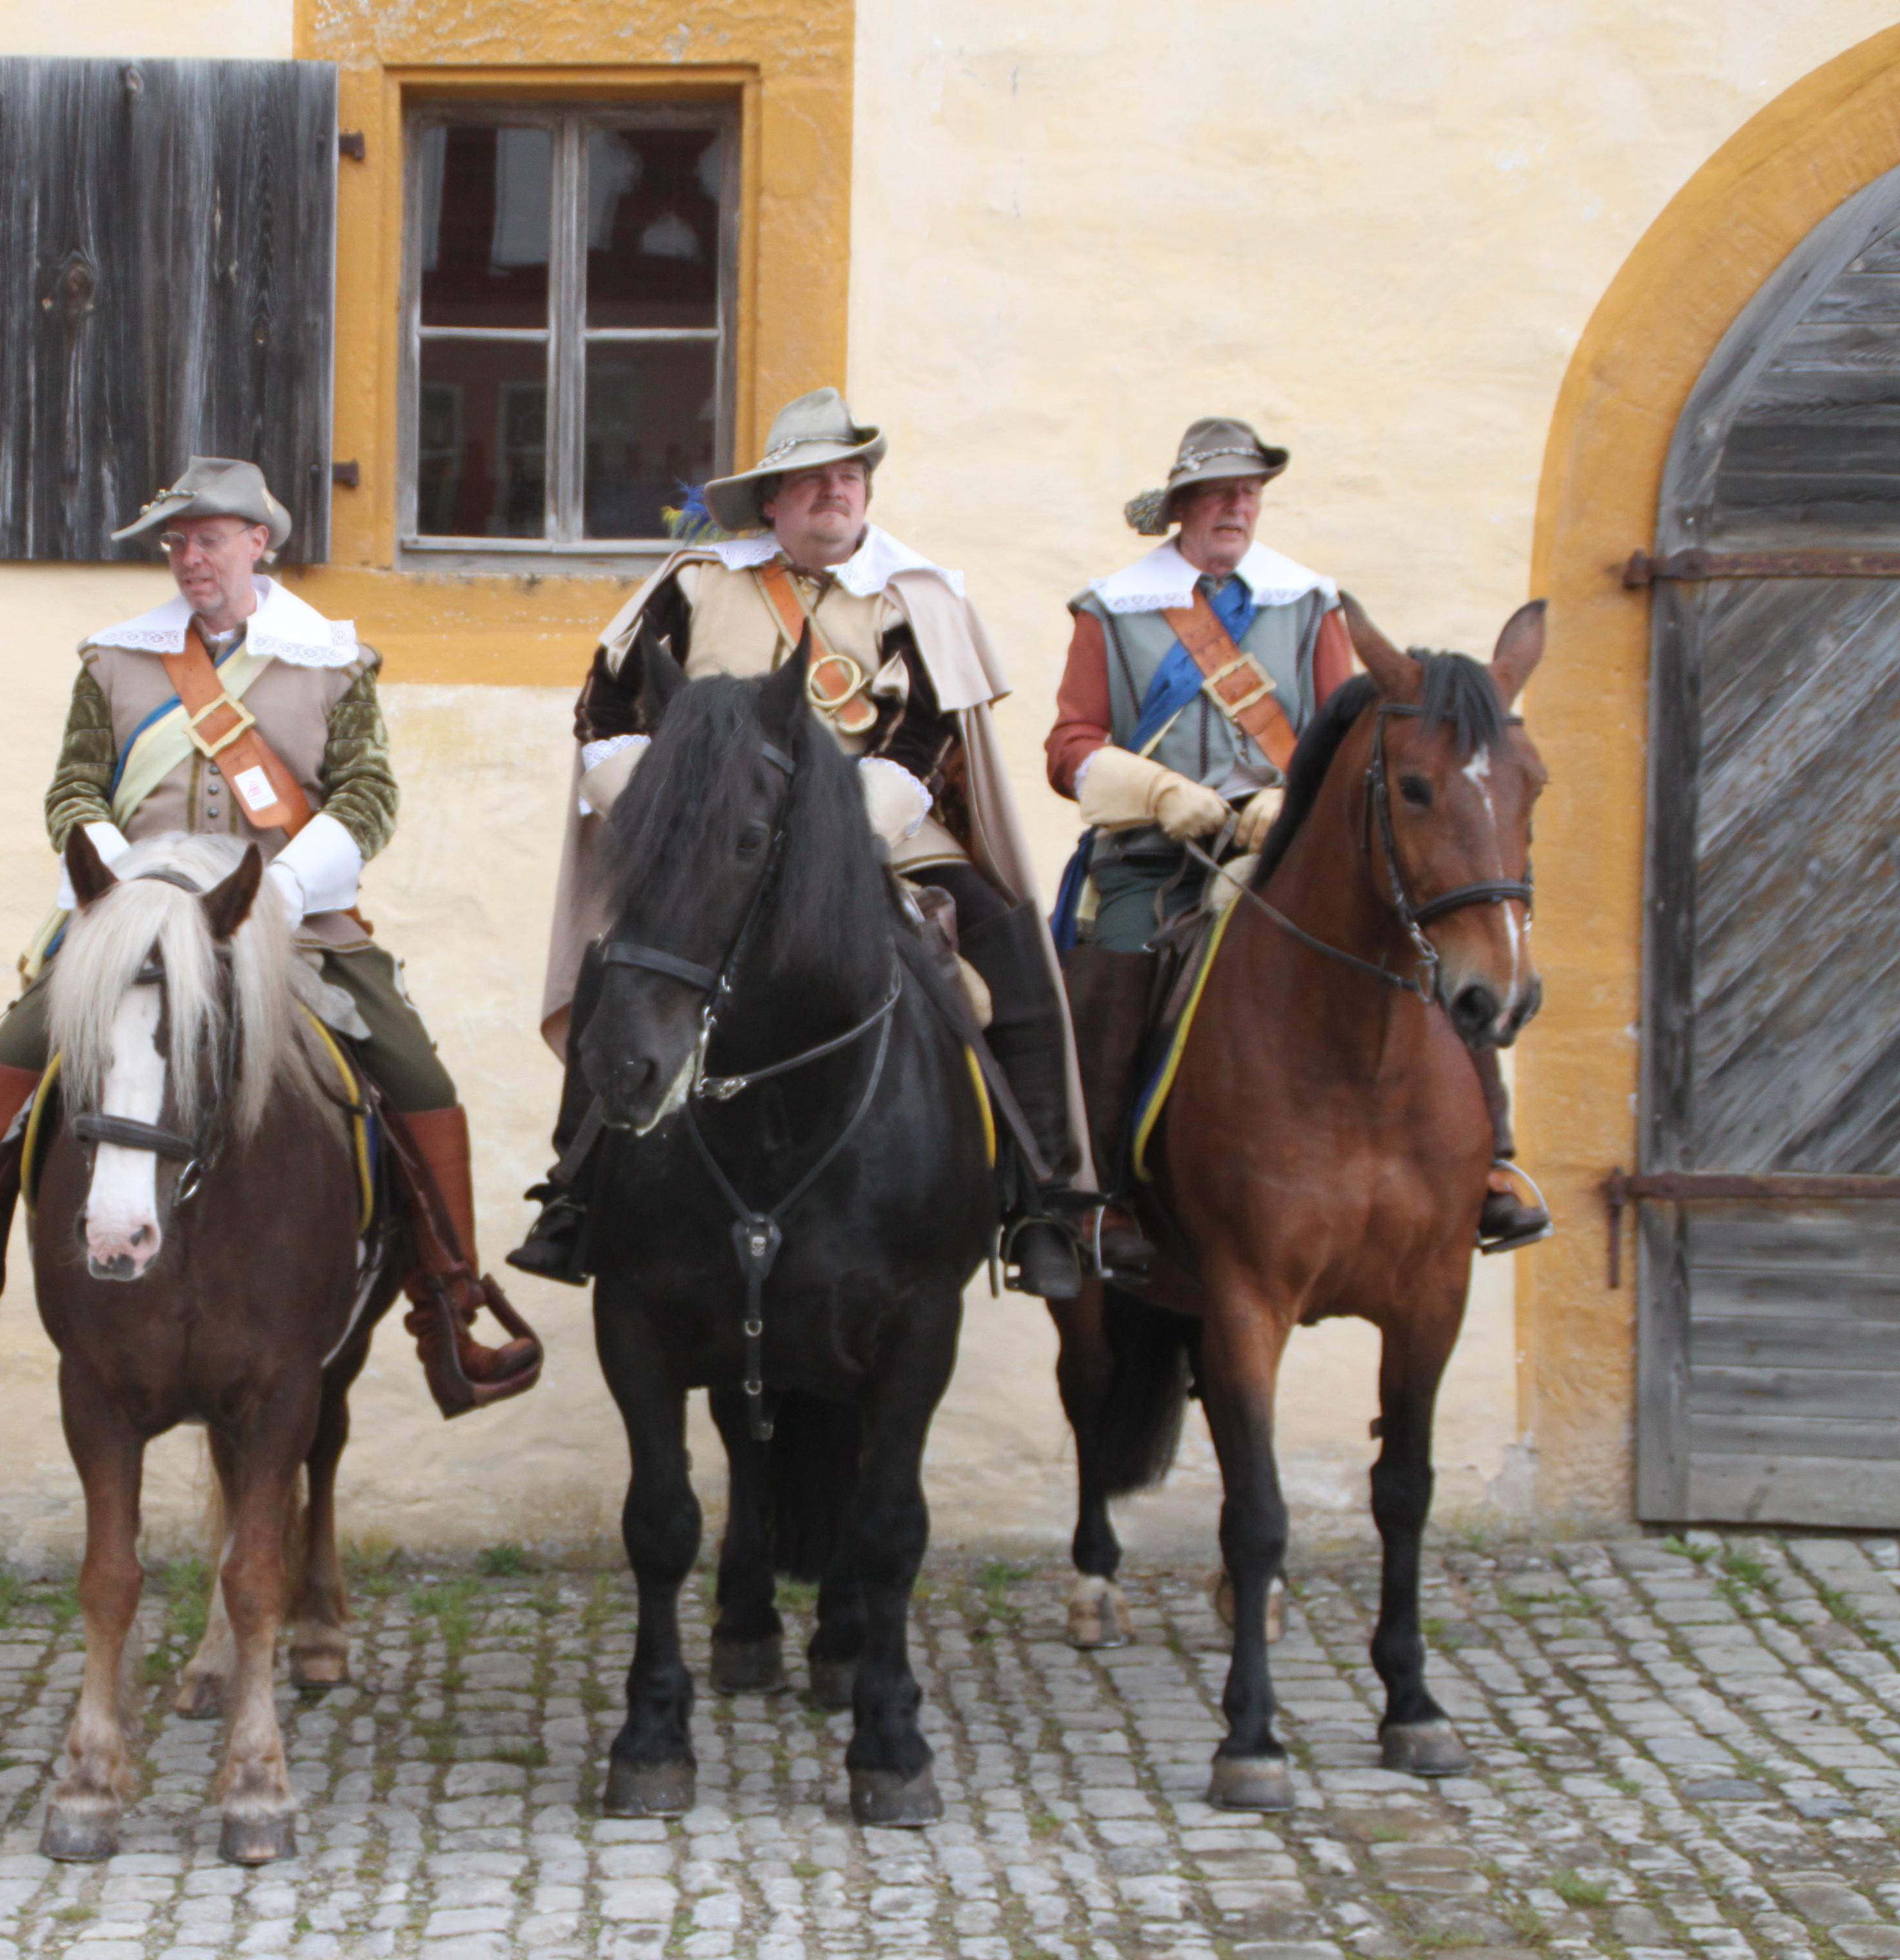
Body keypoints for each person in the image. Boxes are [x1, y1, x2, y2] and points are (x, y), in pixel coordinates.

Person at [0, 459, 543, 1414]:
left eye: (208, 538)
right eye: (176, 543)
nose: (188, 559)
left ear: (261, 542)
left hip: (296, 930)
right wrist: (111, 884)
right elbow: (74, 790)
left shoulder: (334, 661)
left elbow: (371, 796)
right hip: (134, 923)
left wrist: (290, 890)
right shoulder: (114, 661)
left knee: (416, 1077)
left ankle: (449, 1312)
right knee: (6, 1063)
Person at [518, 388, 1104, 1297]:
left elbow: (923, 738)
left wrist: (836, 833)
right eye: (814, 479)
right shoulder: (692, 587)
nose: (837, 490)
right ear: (773, 502)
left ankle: (1043, 1203)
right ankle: (577, 1193)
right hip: (712, 839)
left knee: (1012, 955)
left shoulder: (917, 598)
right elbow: (605, 709)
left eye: (850, 476)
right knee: (623, 958)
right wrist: (671, 811)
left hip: (882, 834)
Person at [1045, 418, 1548, 1252]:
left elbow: (1340, 733)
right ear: (1183, 506)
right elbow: (1072, 750)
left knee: (1426, 939)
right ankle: (1104, 1198)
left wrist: (1291, 797)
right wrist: (1161, 790)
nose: (1237, 506)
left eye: (1250, 492)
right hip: (1155, 844)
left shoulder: (1309, 603)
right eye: (1219, 492)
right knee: (1115, 962)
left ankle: (1491, 1162)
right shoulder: (1113, 609)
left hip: (1285, 835)